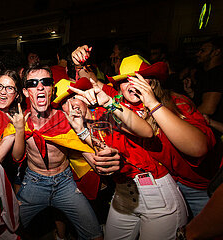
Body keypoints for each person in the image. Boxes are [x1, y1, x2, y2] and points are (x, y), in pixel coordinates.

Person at [73, 46, 193, 239]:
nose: (131, 85)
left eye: (138, 79)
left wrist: (109, 104)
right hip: (123, 193)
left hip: (157, 194)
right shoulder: (116, 101)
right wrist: (79, 62)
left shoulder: (164, 109)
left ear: (151, 83)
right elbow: (89, 80)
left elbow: (145, 131)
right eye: (125, 81)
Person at [3, 65, 121, 240]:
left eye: (46, 82)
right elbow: (15, 157)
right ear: (26, 92)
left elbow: (88, 153)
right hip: (34, 183)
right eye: (33, 83)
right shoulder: (20, 121)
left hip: (65, 184)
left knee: (95, 235)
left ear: (52, 89)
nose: (40, 87)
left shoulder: (66, 119)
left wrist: (102, 163)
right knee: (9, 229)